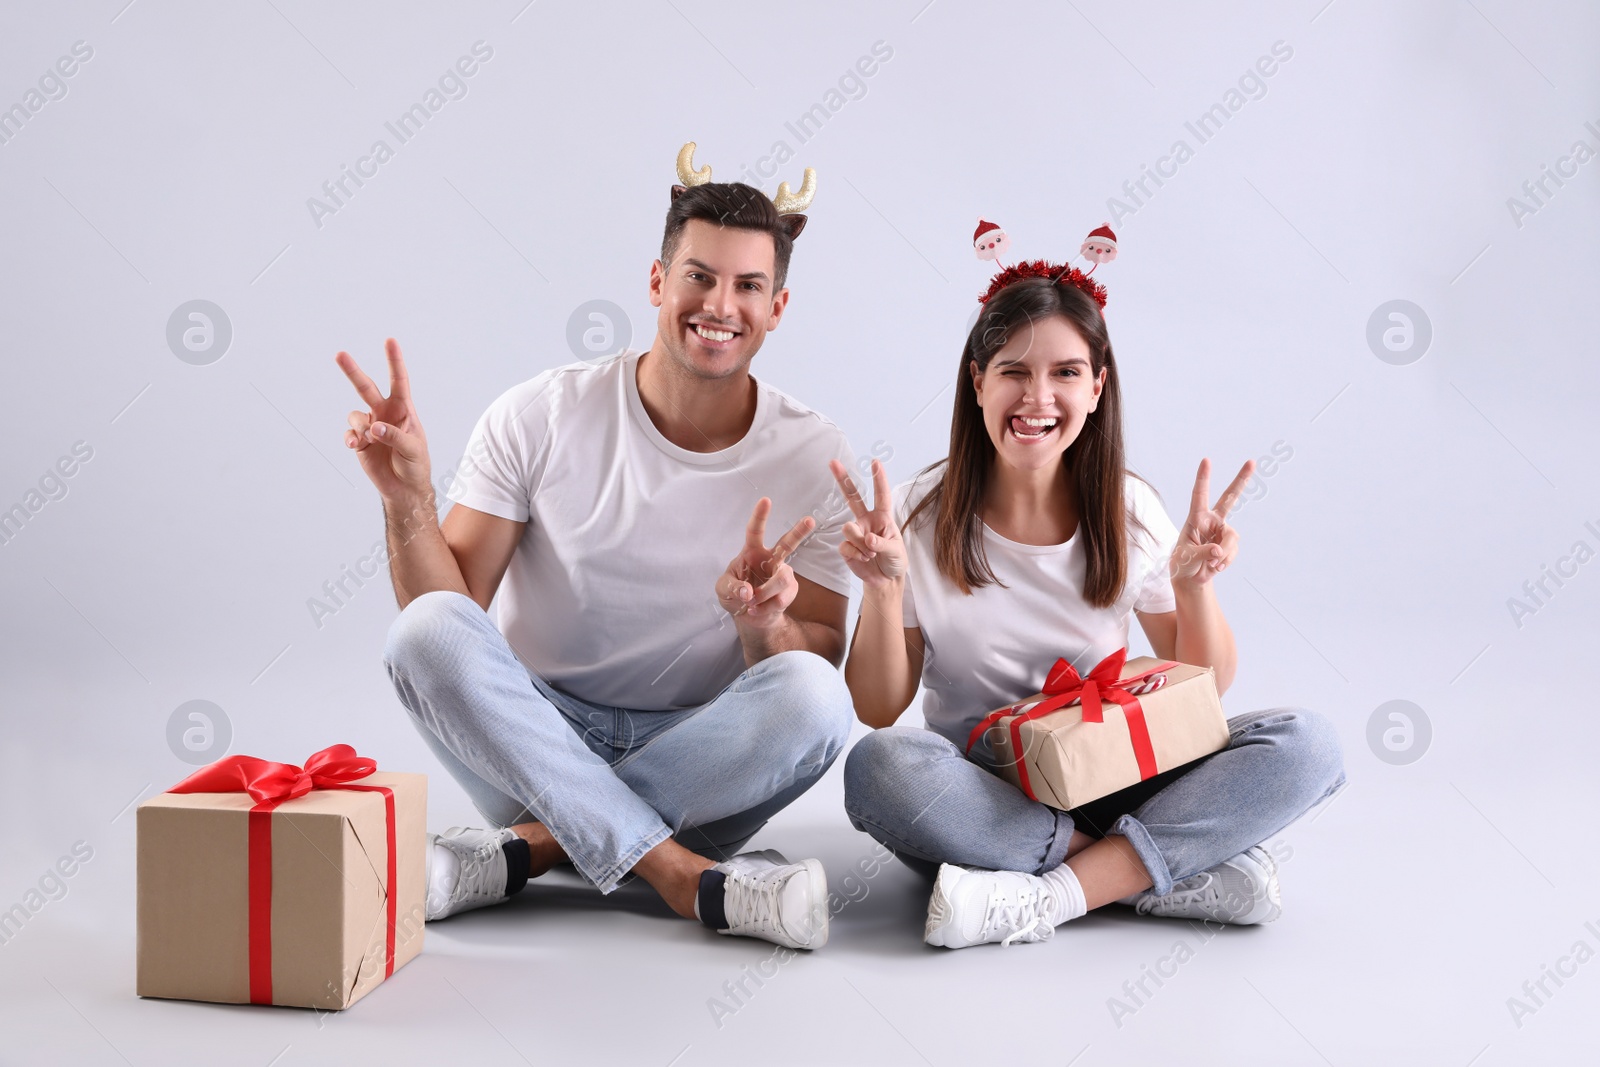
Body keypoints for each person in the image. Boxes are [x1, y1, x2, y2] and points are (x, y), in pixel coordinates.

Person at [334, 144, 855, 950]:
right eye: (699, 275)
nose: (721, 303)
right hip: (535, 740)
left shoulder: (813, 454)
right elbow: (453, 608)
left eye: (748, 285)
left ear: (777, 306)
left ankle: (532, 849)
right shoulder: (540, 412)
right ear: (656, 283)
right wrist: (409, 503)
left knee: (819, 699)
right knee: (421, 632)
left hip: (700, 756)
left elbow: (813, 660)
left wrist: (765, 627)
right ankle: (683, 877)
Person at [831, 241, 1346, 949]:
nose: (1038, 398)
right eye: (1014, 371)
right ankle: (1154, 869)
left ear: (1097, 388)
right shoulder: (923, 512)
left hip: (1116, 770)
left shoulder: (1128, 510)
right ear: (978, 382)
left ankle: (1046, 896)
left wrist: (1193, 589)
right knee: (878, 768)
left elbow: (1207, 686)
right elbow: (878, 706)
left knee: (1309, 742)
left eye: (1065, 373)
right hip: (988, 793)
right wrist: (883, 591)